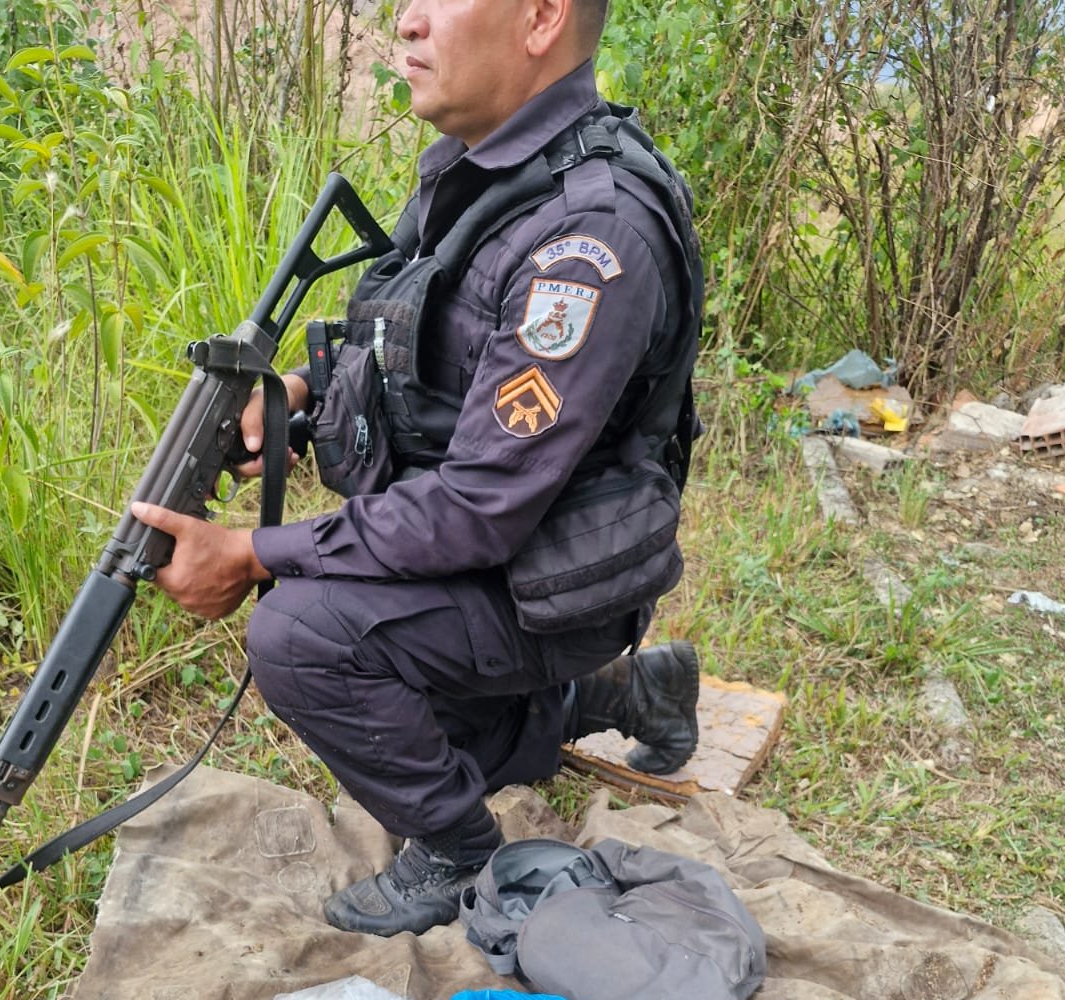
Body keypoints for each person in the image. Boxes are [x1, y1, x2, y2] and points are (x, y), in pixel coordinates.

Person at [131, 0, 704, 938]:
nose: (404, 20)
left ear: (542, 19)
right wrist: (300, 390)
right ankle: (616, 698)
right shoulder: (487, 176)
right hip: (496, 557)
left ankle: (460, 853)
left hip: (542, 577)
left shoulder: (588, 239)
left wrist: (254, 553)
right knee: (421, 698)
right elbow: (410, 342)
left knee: (303, 633)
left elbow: (480, 506)